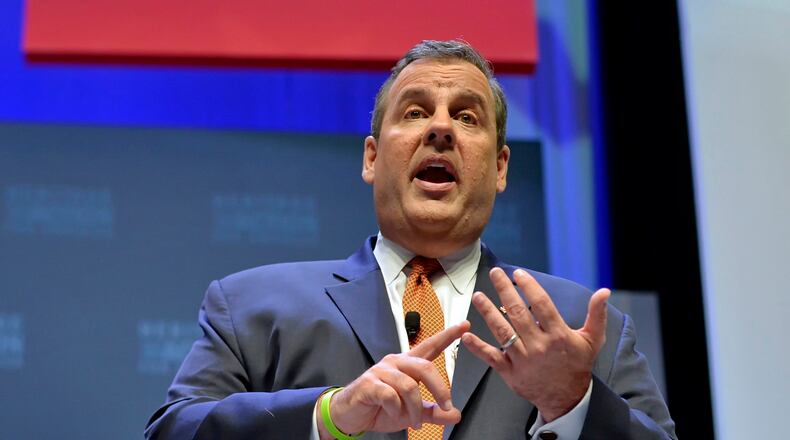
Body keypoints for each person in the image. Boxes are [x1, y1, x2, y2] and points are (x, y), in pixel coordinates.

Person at [145, 40, 676, 440]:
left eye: (466, 117)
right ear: (372, 158)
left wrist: (573, 401)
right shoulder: (251, 307)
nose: (440, 129)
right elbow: (173, 431)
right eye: (416, 112)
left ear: (499, 167)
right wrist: (329, 416)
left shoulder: (579, 324)